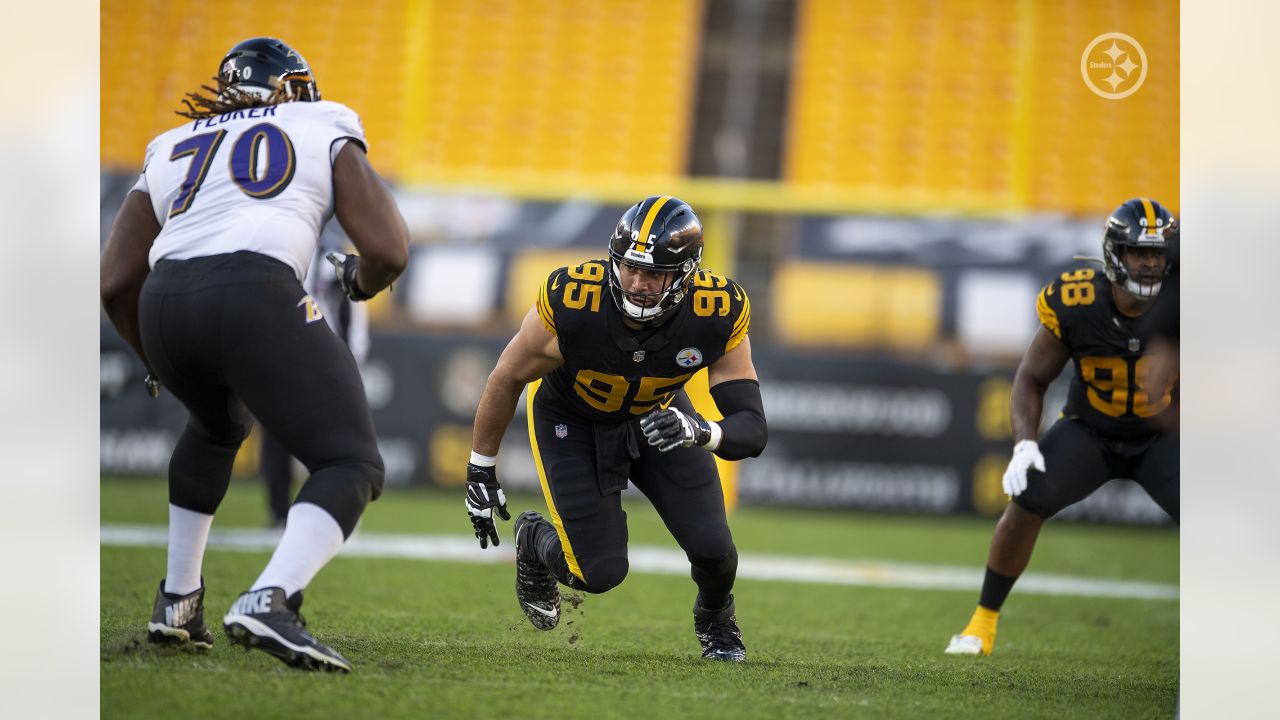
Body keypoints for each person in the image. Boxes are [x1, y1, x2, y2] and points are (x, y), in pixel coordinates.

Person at [100, 37, 408, 673]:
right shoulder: (320, 121)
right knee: (350, 461)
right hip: (254, 290)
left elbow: (113, 278)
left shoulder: (170, 145)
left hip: (162, 302)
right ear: (291, 88)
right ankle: (272, 599)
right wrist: (359, 282)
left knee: (216, 427)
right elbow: (389, 249)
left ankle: (178, 601)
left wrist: (151, 355)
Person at [464, 196, 768, 661]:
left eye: (654, 274)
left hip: (659, 418)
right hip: (572, 418)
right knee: (598, 573)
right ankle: (533, 540)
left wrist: (698, 430)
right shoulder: (572, 298)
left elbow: (751, 428)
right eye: (628, 268)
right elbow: (507, 376)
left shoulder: (717, 308)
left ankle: (715, 619)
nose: (638, 283)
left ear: (685, 274)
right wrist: (481, 466)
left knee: (714, 549)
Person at [944, 198, 1179, 656]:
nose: (1151, 263)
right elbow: (1031, 378)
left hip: (1161, 437)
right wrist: (1025, 444)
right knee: (1027, 499)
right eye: (1140, 252)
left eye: (1159, 253)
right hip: (1090, 430)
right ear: (1115, 254)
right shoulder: (1077, 299)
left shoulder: (1186, 302)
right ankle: (981, 624)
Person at [260, 236, 371, 528]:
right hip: (288, 355)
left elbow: (352, 314)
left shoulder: (333, 259)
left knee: (335, 443)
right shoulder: (280, 252)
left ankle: (334, 509)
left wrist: (348, 362)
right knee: (279, 440)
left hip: (325, 357)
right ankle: (280, 512)